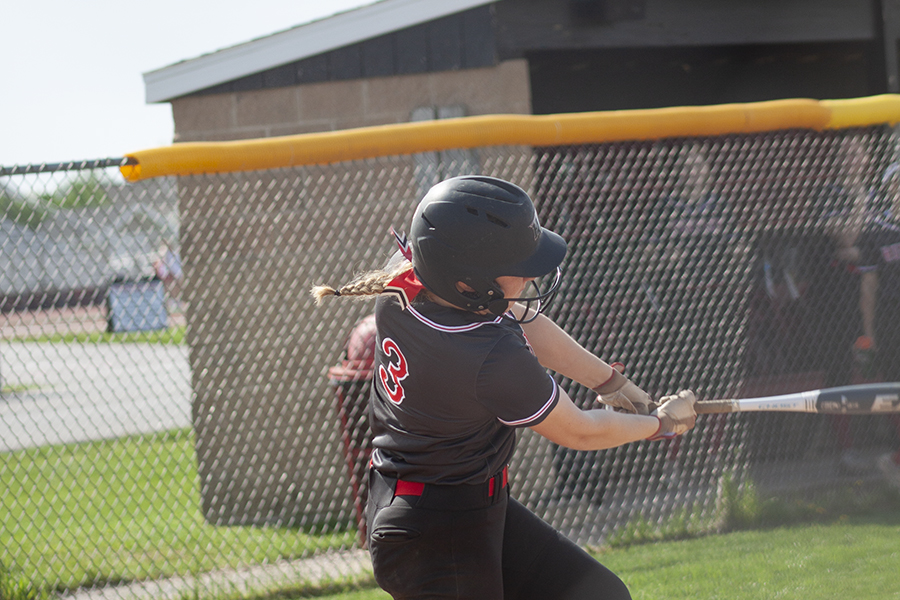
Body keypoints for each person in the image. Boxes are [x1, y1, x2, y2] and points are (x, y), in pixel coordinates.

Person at [312, 175, 697, 600]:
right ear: (468, 285)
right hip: (434, 534)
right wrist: (660, 425)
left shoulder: (414, 278)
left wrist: (611, 382)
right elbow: (580, 430)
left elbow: (524, 323)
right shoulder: (489, 357)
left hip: (463, 508)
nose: (531, 277)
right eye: (518, 268)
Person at [857, 163, 900, 489]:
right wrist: (870, 332)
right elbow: (869, 286)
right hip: (891, 323)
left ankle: (894, 460)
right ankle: (894, 460)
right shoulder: (877, 231)